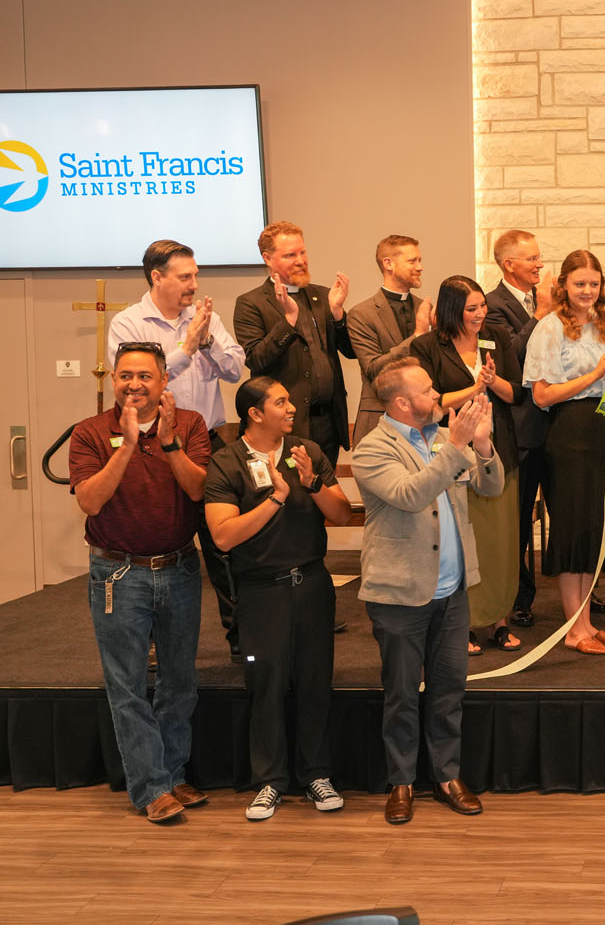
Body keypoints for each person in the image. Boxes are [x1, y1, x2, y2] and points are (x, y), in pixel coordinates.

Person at [352, 363, 502, 825]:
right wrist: (457, 446)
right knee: (400, 692)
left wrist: (481, 445)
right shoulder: (373, 449)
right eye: (429, 390)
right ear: (402, 403)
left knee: (448, 690)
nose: (439, 394)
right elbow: (413, 494)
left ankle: (448, 775)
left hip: (452, 590)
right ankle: (400, 781)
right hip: (400, 592)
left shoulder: (441, 437)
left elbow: (490, 485)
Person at [68, 341, 212, 823]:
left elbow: (197, 488)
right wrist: (127, 444)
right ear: (113, 380)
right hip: (118, 573)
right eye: (125, 375)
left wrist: (167, 441)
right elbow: (90, 501)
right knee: (127, 685)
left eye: (145, 376)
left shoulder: (189, 424)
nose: (134, 384)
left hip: (180, 568)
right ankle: (150, 788)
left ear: (163, 381)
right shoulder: (90, 433)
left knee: (179, 682)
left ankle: (172, 776)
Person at [205, 376, 353, 821]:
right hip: (259, 592)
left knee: (314, 681)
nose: (292, 408)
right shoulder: (227, 462)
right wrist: (275, 501)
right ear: (254, 413)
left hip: (311, 585)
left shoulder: (305, 451)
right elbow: (223, 535)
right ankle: (269, 780)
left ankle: (317, 774)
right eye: (281, 402)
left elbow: (343, 513)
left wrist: (311, 483)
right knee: (265, 684)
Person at [108, 240, 246, 660]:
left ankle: (243, 642)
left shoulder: (207, 319)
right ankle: (152, 645)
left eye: (195, 275)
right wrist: (186, 347)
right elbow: (142, 383)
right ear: (157, 277)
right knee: (156, 543)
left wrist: (205, 341)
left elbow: (236, 368)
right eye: (185, 277)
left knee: (224, 548)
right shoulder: (128, 324)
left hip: (212, 441)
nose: (194, 284)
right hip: (151, 444)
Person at [521, 249, 605, 656]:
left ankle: (587, 623)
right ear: (564, 285)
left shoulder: (603, 324)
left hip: (602, 435)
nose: (587, 290)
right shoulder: (549, 327)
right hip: (568, 435)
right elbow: (542, 395)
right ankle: (572, 629)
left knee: (591, 531)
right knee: (570, 530)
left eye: (594, 284)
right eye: (579, 283)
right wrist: (595, 376)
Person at [412, 276, 523, 655]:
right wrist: (476, 388)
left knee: (501, 541)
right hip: (453, 455)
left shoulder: (497, 336)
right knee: (463, 540)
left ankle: (501, 620)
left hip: (498, 449)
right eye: (470, 309)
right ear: (450, 310)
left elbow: (516, 392)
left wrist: (494, 381)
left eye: (481, 306)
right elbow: (432, 402)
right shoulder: (427, 345)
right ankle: (466, 623)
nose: (480, 314)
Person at [483, 230, 583, 626]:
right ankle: (519, 597)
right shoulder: (491, 307)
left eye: (540, 258)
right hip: (521, 430)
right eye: (532, 259)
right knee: (519, 520)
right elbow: (512, 356)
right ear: (509, 265)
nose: (541, 265)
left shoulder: (558, 305)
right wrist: (540, 316)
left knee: (567, 515)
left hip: (559, 428)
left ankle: (575, 595)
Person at [232, 221, 355, 467]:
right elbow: (256, 359)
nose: (300, 260)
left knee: (325, 495)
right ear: (268, 258)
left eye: (302, 252)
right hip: (285, 426)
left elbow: (351, 352)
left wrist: (338, 313)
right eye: (290, 255)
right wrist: (289, 321)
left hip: (328, 423)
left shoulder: (323, 296)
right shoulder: (251, 303)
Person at [347, 234, 435, 444]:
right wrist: (418, 335)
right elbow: (374, 369)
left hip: (423, 422)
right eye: (412, 261)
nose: (420, 267)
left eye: (420, 260)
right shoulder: (361, 314)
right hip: (379, 418)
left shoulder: (426, 308)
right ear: (388, 264)